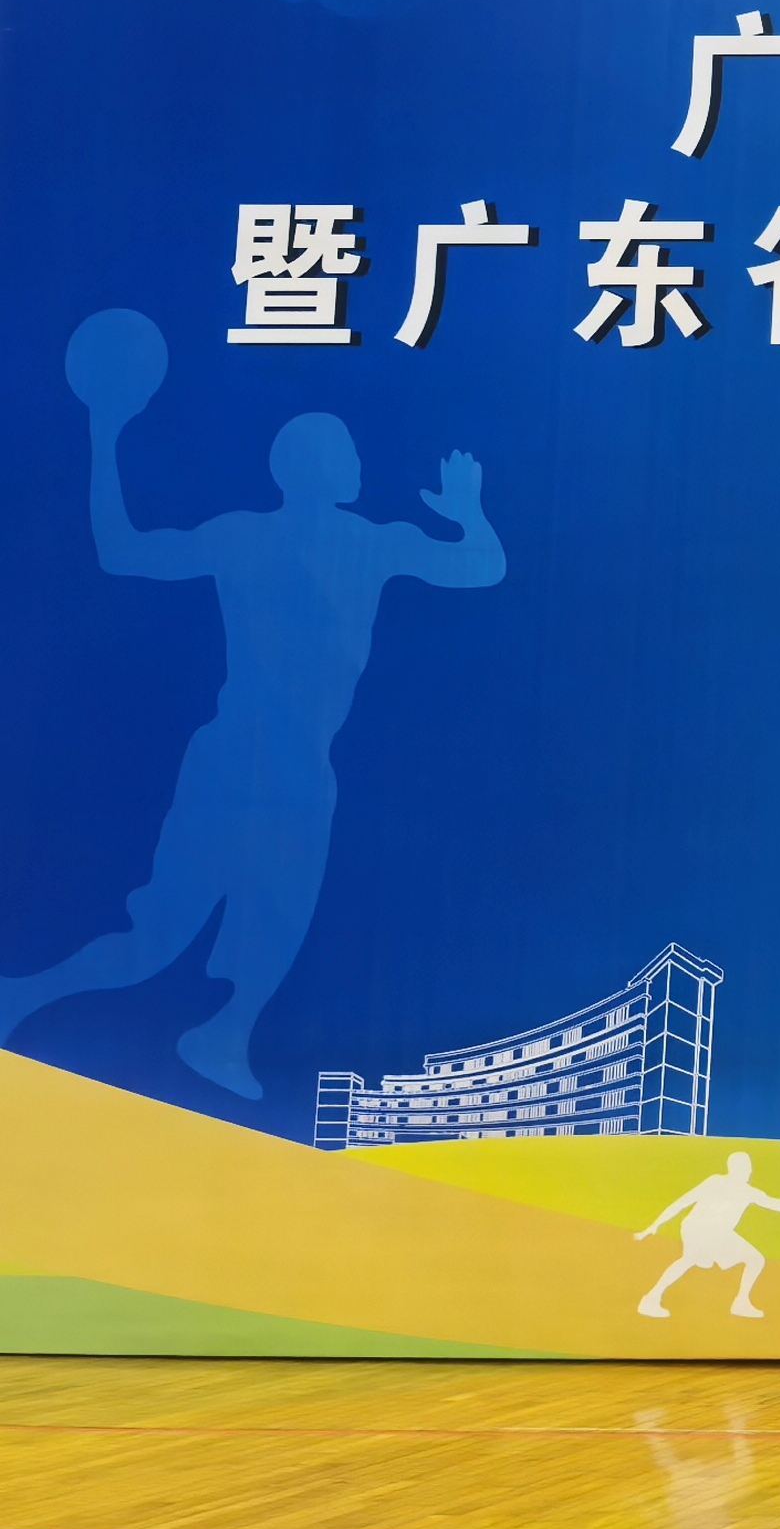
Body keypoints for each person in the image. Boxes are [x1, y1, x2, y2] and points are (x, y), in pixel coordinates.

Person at [1, 312, 504, 1099]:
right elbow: (482, 563)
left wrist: (104, 433)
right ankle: (52, 999)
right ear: (320, 468)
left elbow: (121, 548)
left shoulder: (281, 537)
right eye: (345, 452)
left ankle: (211, 1036)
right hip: (262, 766)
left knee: (213, 933)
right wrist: (467, 508)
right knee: (196, 933)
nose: (357, 463)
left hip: (259, 764)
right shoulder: (363, 542)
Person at [634, 1151, 780, 1318]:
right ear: (736, 1168)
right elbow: (683, 1201)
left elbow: (777, 1204)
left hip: (699, 1230)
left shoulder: (723, 1183)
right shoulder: (731, 1186)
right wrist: (655, 1224)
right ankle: (740, 1303)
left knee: (689, 1260)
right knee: (755, 1259)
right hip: (709, 1232)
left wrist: (655, 1225)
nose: (750, 1171)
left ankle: (651, 1298)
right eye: (747, 1167)